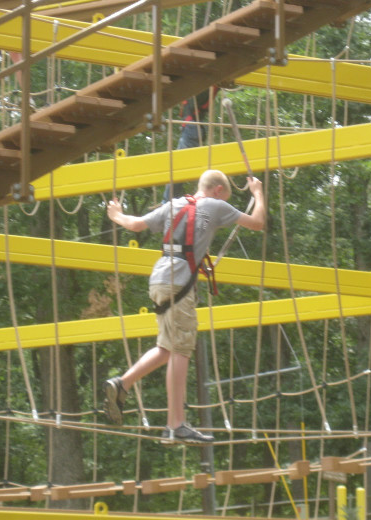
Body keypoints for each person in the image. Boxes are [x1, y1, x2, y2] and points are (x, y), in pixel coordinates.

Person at [103, 169, 266, 444]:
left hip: (159, 279)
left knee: (167, 347)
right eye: (224, 195)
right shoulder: (215, 206)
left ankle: (123, 383)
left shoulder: (174, 204)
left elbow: (136, 225)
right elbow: (258, 222)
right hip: (179, 282)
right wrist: (258, 193)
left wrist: (116, 214)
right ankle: (175, 424)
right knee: (181, 348)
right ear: (217, 191)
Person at [162, 87, 218, 202]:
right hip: (192, 129)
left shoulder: (202, 88)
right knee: (179, 168)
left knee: (178, 167)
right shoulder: (197, 90)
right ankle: (170, 200)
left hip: (192, 129)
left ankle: (168, 201)